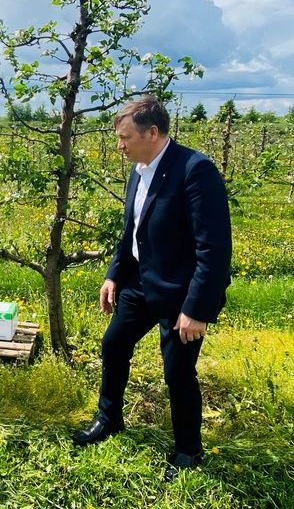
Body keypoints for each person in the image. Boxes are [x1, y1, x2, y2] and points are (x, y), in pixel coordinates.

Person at [73, 95, 232, 482]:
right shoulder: (140, 169)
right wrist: (113, 274)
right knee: (114, 345)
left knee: (178, 373)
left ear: (153, 132)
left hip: (181, 294)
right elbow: (132, 231)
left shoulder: (196, 171)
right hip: (140, 285)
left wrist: (197, 309)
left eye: (125, 137)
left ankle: (187, 452)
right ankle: (109, 419)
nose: (119, 145)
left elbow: (214, 248)